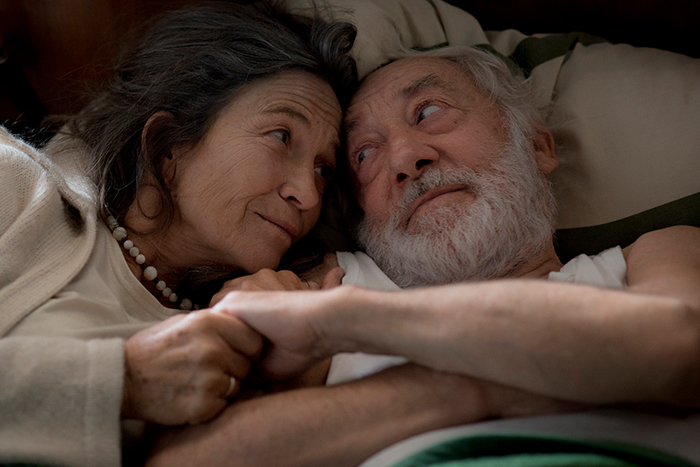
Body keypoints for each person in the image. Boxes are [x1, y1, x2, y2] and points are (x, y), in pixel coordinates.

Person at [145, 46, 700, 467]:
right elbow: (186, 459)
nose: (404, 159)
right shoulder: (319, 282)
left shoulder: (654, 253)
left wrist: (345, 321)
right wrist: (485, 381)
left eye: (429, 111)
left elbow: (681, 347)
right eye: (364, 154)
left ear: (537, 145)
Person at [0, 2, 357, 466]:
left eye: (324, 170)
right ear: (169, 143)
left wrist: (281, 384)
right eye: (281, 137)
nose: (308, 195)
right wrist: (125, 381)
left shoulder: (245, 333)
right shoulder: (14, 184)